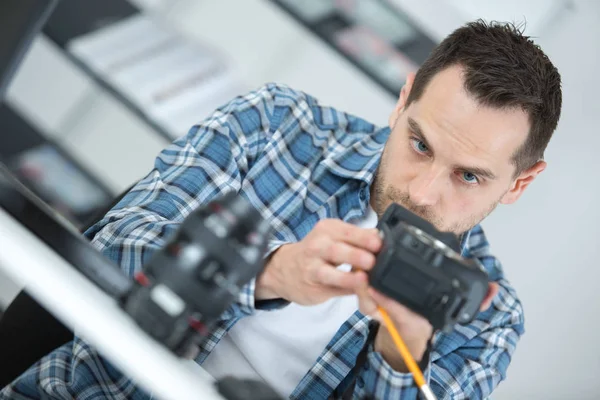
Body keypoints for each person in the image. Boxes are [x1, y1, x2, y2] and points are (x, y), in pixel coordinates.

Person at [0, 19, 561, 399]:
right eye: (419, 144)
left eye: (468, 176)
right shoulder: (276, 125)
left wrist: (401, 354)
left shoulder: (488, 319)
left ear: (520, 183)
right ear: (402, 99)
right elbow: (110, 248)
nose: (424, 193)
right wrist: (268, 273)